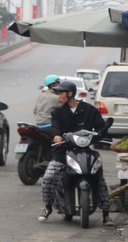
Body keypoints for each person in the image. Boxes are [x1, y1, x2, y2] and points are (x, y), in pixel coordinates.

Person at [39, 81, 114, 226]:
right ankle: (47, 207)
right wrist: (56, 136)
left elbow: (100, 126)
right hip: (62, 151)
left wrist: (102, 133)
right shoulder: (58, 112)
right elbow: (55, 127)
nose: (58, 96)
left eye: (61, 93)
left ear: (70, 94)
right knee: (48, 177)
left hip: (85, 152)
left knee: (99, 179)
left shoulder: (89, 110)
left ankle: (106, 214)